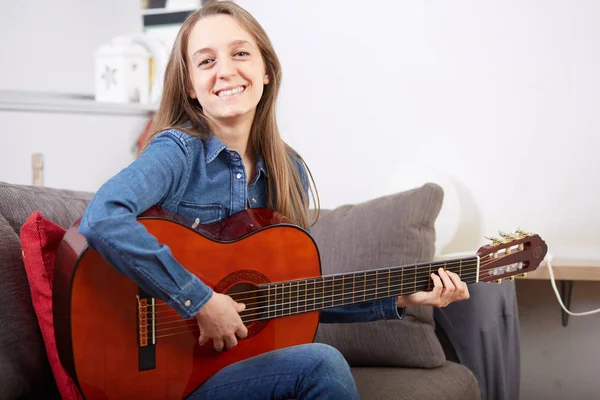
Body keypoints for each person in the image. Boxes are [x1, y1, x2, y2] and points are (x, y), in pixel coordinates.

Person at [78, 2, 470, 399]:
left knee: (316, 360)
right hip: (159, 379)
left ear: (266, 70)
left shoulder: (288, 169)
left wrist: (402, 295)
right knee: (322, 362)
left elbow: (292, 296)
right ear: (190, 88)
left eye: (240, 53)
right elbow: (102, 218)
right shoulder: (177, 153)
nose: (226, 70)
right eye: (206, 61)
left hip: (229, 373)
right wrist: (199, 301)